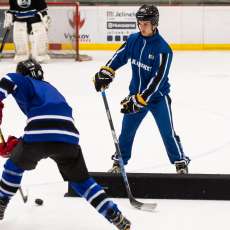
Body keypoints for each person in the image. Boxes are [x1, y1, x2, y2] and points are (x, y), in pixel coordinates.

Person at [0, 59, 131, 230]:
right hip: (68, 136)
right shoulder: (51, 89)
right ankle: (112, 213)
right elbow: (52, 124)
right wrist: (19, 144)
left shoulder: (23, 80)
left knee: (14, 166)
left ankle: (1, 203)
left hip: (39, 132)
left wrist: (20, 150)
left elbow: (7, 82)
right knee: (82, 181)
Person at [93, 4, 190, 174]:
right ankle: (119, 163)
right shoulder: (133, 40)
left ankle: (180, 163)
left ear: (154, 24)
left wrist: (140, 100)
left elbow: (157, 80)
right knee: (126, 133)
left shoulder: (163, 49)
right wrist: (106, 72)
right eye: (139, 23)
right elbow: (119, 56)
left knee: (167, 133)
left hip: (157, 98)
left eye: (145, 23)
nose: (141, 26)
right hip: (135, 96)